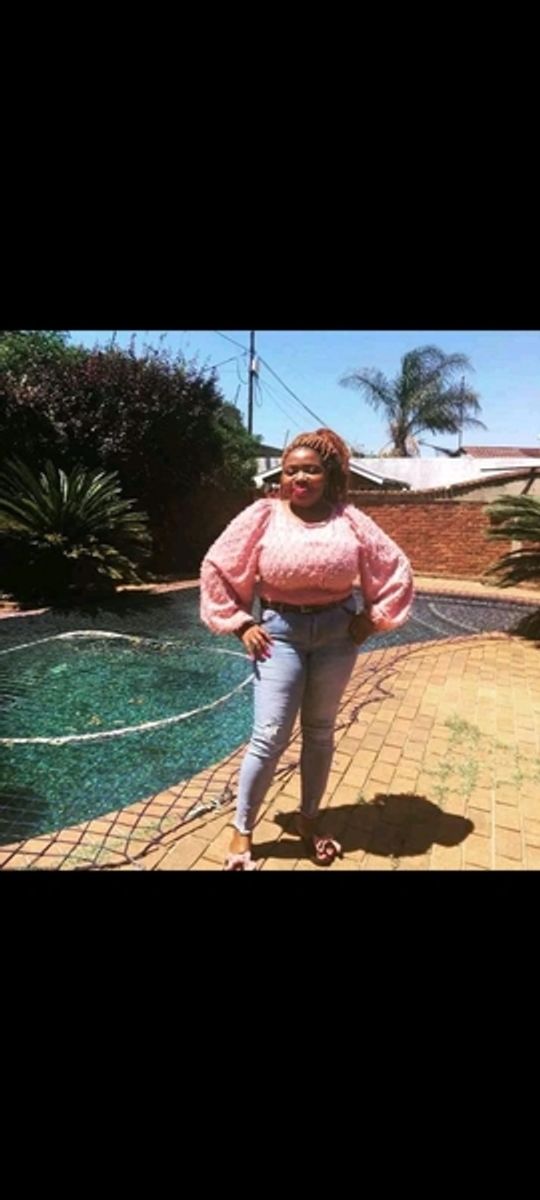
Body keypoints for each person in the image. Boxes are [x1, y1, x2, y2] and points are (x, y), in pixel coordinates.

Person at [200, 428, 414, 869]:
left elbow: (395, 566)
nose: (299, 478)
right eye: (291, 470)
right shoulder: (262, 515)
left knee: (319, 732)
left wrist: (372, 618)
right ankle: (242, 829)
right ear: (281, 475)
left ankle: (309, 819)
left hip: (338, 635)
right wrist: (241, 623)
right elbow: (217, 566)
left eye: (311, 470)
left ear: (328, 475)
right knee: (269, 735)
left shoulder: (349, 519)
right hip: (279, 634)